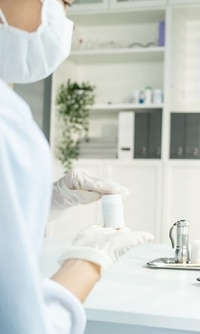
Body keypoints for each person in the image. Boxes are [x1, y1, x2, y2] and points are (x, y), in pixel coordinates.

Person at [0, 1, 153, 333]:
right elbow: (26, 327)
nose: (65, 19)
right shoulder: (7, 122)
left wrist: (49, 201)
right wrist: (87, 261)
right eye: (64, 3)